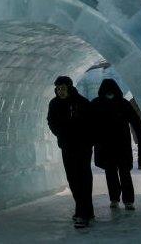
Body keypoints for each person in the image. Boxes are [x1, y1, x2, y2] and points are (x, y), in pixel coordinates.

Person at [90, 78, 141, 210]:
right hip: (113, 144)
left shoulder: (98, 103)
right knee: (116, 172)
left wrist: (140, 137)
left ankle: (120, 199)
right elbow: (136, 121)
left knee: (119, 173)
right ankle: (122, 200)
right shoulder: (121, 103)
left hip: (113, 145)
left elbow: (135, 121)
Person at [47, 75, 94, 228]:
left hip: (83, 146)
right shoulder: (54, 103)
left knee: (83, 178)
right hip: (67, 146)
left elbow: (92, 123)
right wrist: (59, 133)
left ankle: (82, 213)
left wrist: (87, 138)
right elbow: (51, 121)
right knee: (73, 178)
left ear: (69, 87)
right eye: (58, 88)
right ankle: (85, 209)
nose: (60, 91)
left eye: (63, 88)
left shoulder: (81, 102)